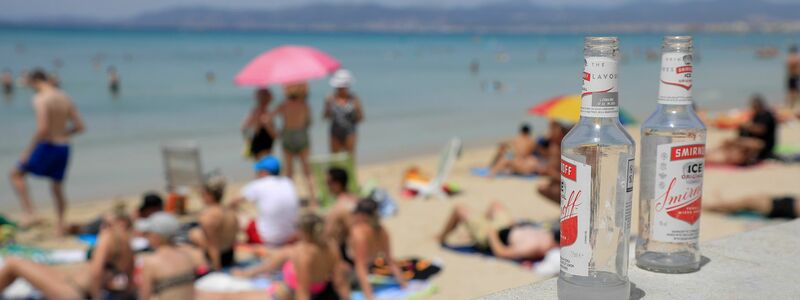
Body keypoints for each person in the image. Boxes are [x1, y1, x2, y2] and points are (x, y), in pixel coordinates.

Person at [10, 69, 85, 232]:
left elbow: (42, 129)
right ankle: (60, 224)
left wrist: (27, 151)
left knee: (16, 174)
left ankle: (30, 213)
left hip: (48, 145)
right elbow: (80, 126)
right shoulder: (64, 96)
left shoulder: (40, 98)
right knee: (57, 187)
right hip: (64, 146)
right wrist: (62, 133)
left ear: (34, 81)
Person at [0, 209, 135, 299]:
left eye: (106, 222)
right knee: (39, 267)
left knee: (14, 263)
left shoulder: (109, 236)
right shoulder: (128, 247)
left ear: (120, 222)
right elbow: (128, 282)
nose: (103, 226)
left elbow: (96, 272)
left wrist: (96, 297)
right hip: (75, 286)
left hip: (74, 292)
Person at [221, 213, 344, 300]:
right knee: (283, 253)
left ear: (304, 232)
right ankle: (251, 270)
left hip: (291, 292)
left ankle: (248, 273)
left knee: (236, 296)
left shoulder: (303, 253)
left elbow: (303, 292)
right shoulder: (331, 246)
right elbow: (340, 280)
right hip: (322, 289)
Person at [437, 201, 558, 261]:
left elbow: (502, 252)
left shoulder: (533, 246)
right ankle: (474, 230)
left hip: (492, 236)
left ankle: (441, 237)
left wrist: (492, 234)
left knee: (459, 209)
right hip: (508, 227)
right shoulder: (549, 236)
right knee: (496, 205)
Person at [231, 156, 300, 247]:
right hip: (290, 236)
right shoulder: (288, 182)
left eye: (258, 171)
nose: (257, 173)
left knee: (238, 216)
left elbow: (233, 202)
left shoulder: (259, 184)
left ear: (264, 171)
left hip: (267, 239)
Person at [137, 212, 208, 300]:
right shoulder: (189, 255)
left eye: (148, 234)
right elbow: (204, 271)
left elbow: (144, 297)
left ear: (157, 236)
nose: (147, 237)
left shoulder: (151, 262)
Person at [345, 199, 406, 300]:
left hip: (351, 276)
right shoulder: (382, 230)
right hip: (367, 271)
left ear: (362, 216)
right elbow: (390, 260)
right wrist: (403, 283)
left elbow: (360, 267)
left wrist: (369, 296)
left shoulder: (358, 233)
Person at [707, 95, 777, 166]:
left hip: (763, 144)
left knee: (733, 143)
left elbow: (761, 130)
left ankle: (715, 156)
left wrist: (746, 126)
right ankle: (713, 155)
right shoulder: (756, 115)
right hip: (754, 141)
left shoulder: (767, 115)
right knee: (729, 143)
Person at [275, 82, 316, 202]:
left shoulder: (284, 105)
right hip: (301, 134)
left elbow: (267, 118)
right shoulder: (304, 105)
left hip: (288, 134)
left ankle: (289, 199)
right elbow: (309, 122)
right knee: (307, 171)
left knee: (289, 172)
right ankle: (313, 199)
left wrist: (276, 133)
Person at [189, 174, 239, 270]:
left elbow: (213, 245)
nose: (201, 197)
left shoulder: (208, 216)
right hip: (229, 255)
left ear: (209, 195)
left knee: (194, 234)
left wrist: (217, 269)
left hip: (216, 259)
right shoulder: (230, 212)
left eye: (202, 194)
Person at [324, 69, 364, 156]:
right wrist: (327, 107)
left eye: (343, 87)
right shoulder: (331, 99)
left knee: (349, 158)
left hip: (350, 132)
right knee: (335, 159)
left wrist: (357, 110)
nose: (341, 89)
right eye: (339, 87)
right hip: (335, 132)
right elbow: (326, 117)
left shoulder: (354, 99)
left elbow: (361, 118)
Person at [537, 120, 573, 203]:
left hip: (567, 184)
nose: (550, 133)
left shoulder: (565, 149)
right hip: (561, 182)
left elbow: (571, 177)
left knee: (550, 190)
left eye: (552, 129)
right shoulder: (554, 147)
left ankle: (565, 208)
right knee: (543, 188)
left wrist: (551, 173)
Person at [324, 167, 359, 249]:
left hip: (347, 249)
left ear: (337, 184)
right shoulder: (357, 200)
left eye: (328, 183)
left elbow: (328, 233)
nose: (326, 186)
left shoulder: (337, 207)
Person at [241, 88, 277, 159]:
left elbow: (244, 128)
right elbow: (244, 128)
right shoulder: (257, 112)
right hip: (260, 140)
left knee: (263, 165)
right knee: (263, 165)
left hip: (266, 141)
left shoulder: (266, 112)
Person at [707, 193, 799, 219]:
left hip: (783, 207)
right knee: (750, 201)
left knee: (748, 201)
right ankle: (721, 205)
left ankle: (714, 206)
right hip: (786, 203)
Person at [786, 44, 799, 109]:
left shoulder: (789, 58)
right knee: (795, 91)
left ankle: (791, 106)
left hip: (791, 76)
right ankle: (793, 105)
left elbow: (788, 67)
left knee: (791, 92)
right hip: (794, 76)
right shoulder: (796, 58)